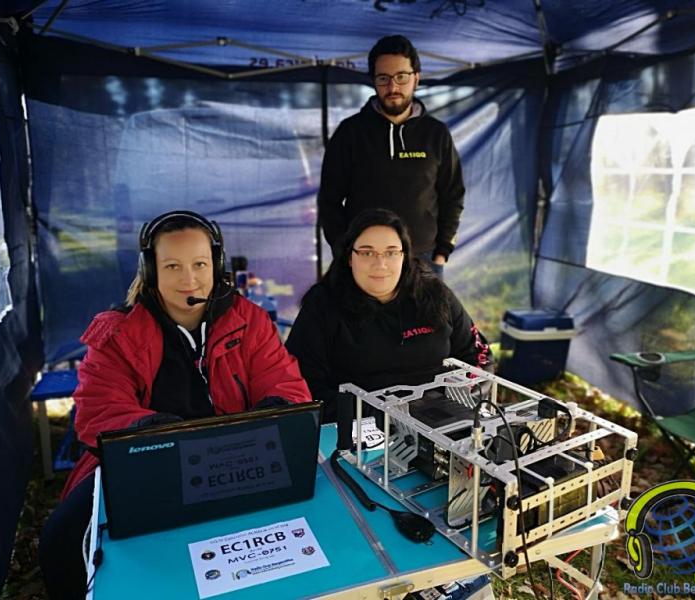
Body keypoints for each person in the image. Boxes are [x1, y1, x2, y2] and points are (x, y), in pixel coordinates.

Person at [39, 210, 310, 599]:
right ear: (150, 271)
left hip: (236, 456)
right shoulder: (117, 332)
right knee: (61, 538)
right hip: (145, 461)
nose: (189, 278)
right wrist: (158, 434)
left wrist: (272, 413)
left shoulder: (249, 320)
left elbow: (285, 382)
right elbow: (98, 409)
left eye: (200, 264)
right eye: (172, 266)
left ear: (215, 265)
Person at [286, 209, 490, 423]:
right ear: (349, 257)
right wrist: (380, 419)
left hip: (441, 424)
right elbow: (303, 385)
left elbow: (479, 356)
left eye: (391, 252)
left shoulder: (434, 294)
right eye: (367, 253)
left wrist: (459, 406)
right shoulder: (322, 305)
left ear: (404, 256)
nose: (380, 264)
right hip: (359, 429)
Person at [318, 34, 465, 276]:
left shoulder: (436, 134)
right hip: (366, 261)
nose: (393, 87)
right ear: (374, 81)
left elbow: (453, 195)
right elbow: (329, 201)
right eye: (383, 78)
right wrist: (345, 252)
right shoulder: (350, 132)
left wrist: (442, 252)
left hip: (423, 262)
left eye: (401, 77)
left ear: (416, 78)